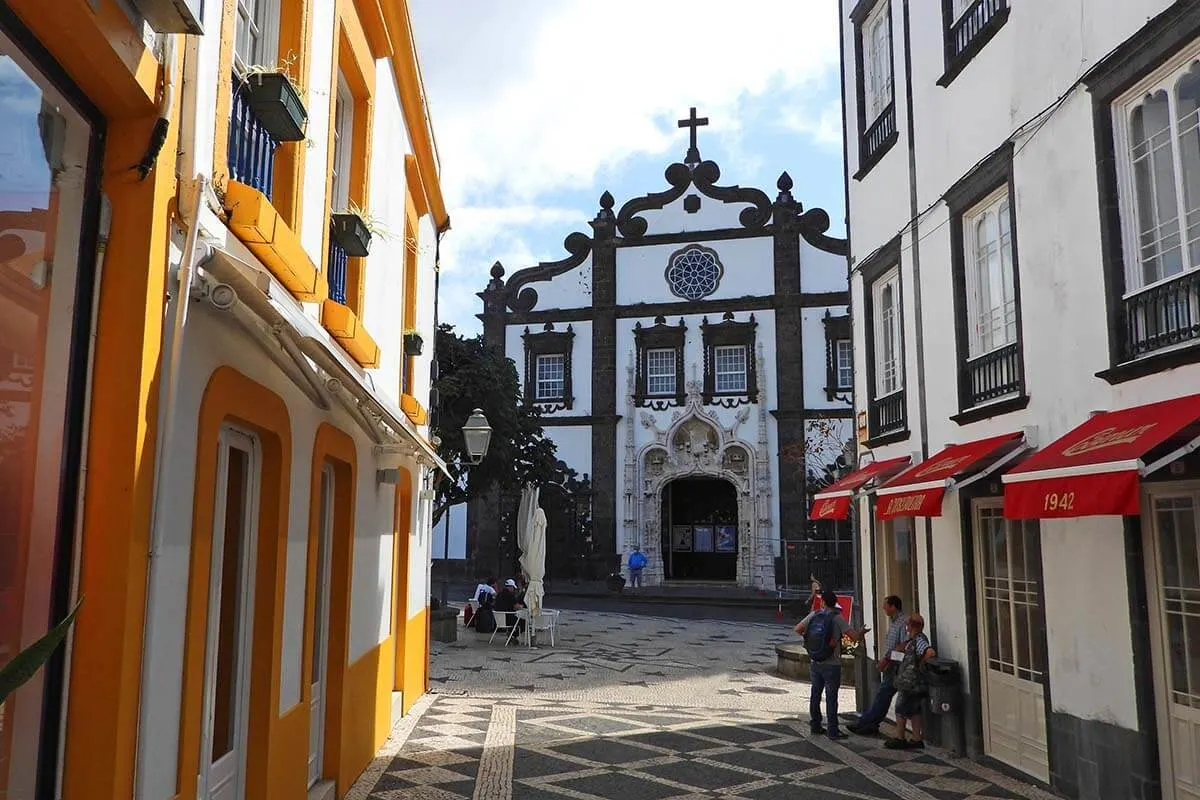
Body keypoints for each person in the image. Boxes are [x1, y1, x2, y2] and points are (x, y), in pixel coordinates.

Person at [795, 590, 869, 740]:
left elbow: (797, 629)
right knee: (831, 697)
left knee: (815, 695)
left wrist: (809, 639)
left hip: (815, 661)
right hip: (832, 664)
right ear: (835, 603)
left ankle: (815, 725)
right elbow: (854, 637)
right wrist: (862, 632)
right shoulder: (837, 618)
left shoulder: (814, 615)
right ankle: (832, 731)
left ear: (823, 602)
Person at [849, 595, 907, 735]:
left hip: (897, 667)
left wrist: (886, 660)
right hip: (891, 666)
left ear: (893, 606)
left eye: (885, 605)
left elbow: (903, 646)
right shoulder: (894, 622)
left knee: (883, 696)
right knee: (883, 697)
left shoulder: (903, 622)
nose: (883, 608)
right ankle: (871, 723)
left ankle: (865, 723)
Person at [886, 613, 937, 750]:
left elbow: (930, 652)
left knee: (900, 708)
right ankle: (916, 738)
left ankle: (900, 737)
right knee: (915, 710)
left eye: (908, 625)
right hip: (914, 682)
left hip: (910, 683)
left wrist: (919, 664)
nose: (906, 628)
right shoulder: (913, 640)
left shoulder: (919, 640)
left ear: (912, 626)